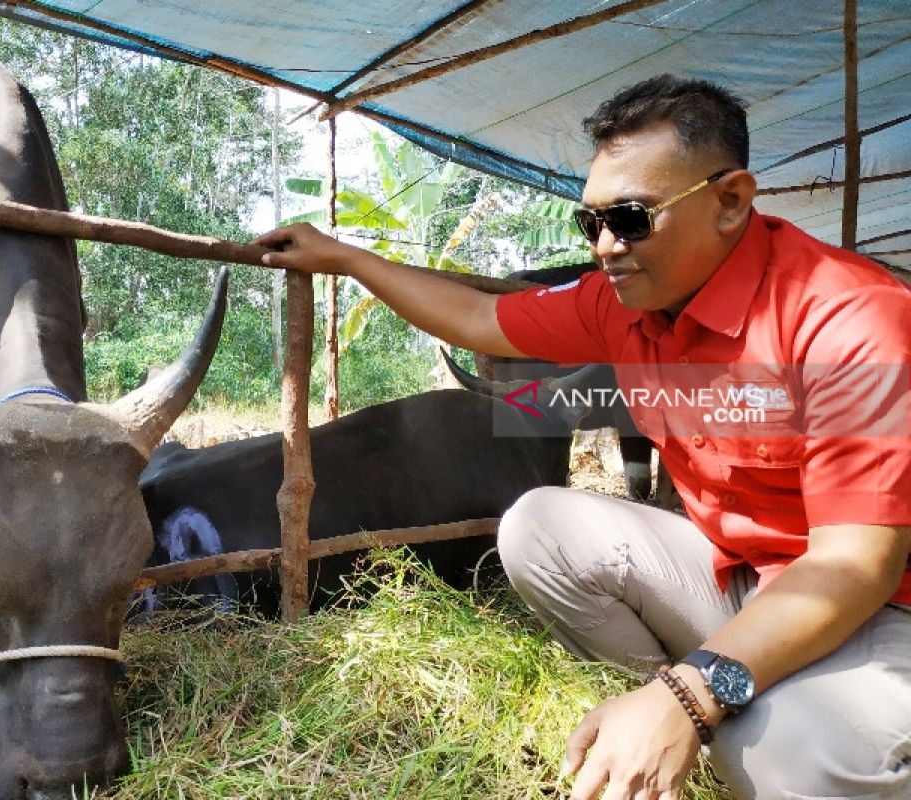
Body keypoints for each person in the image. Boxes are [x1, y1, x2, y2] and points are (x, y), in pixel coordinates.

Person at [255, 74, 911, 800]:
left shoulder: (850, 320)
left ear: (730, 201)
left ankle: (710, 719)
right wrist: (347, 258)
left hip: (878, 608)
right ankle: (688, 714)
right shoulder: (619, 304)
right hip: (741, 577)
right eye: (589, 223)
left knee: (806, 759)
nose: (604, 246)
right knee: (538, 525)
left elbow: (856, 568)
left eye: (630, 219)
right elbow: (477, 320)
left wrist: (689, 697)